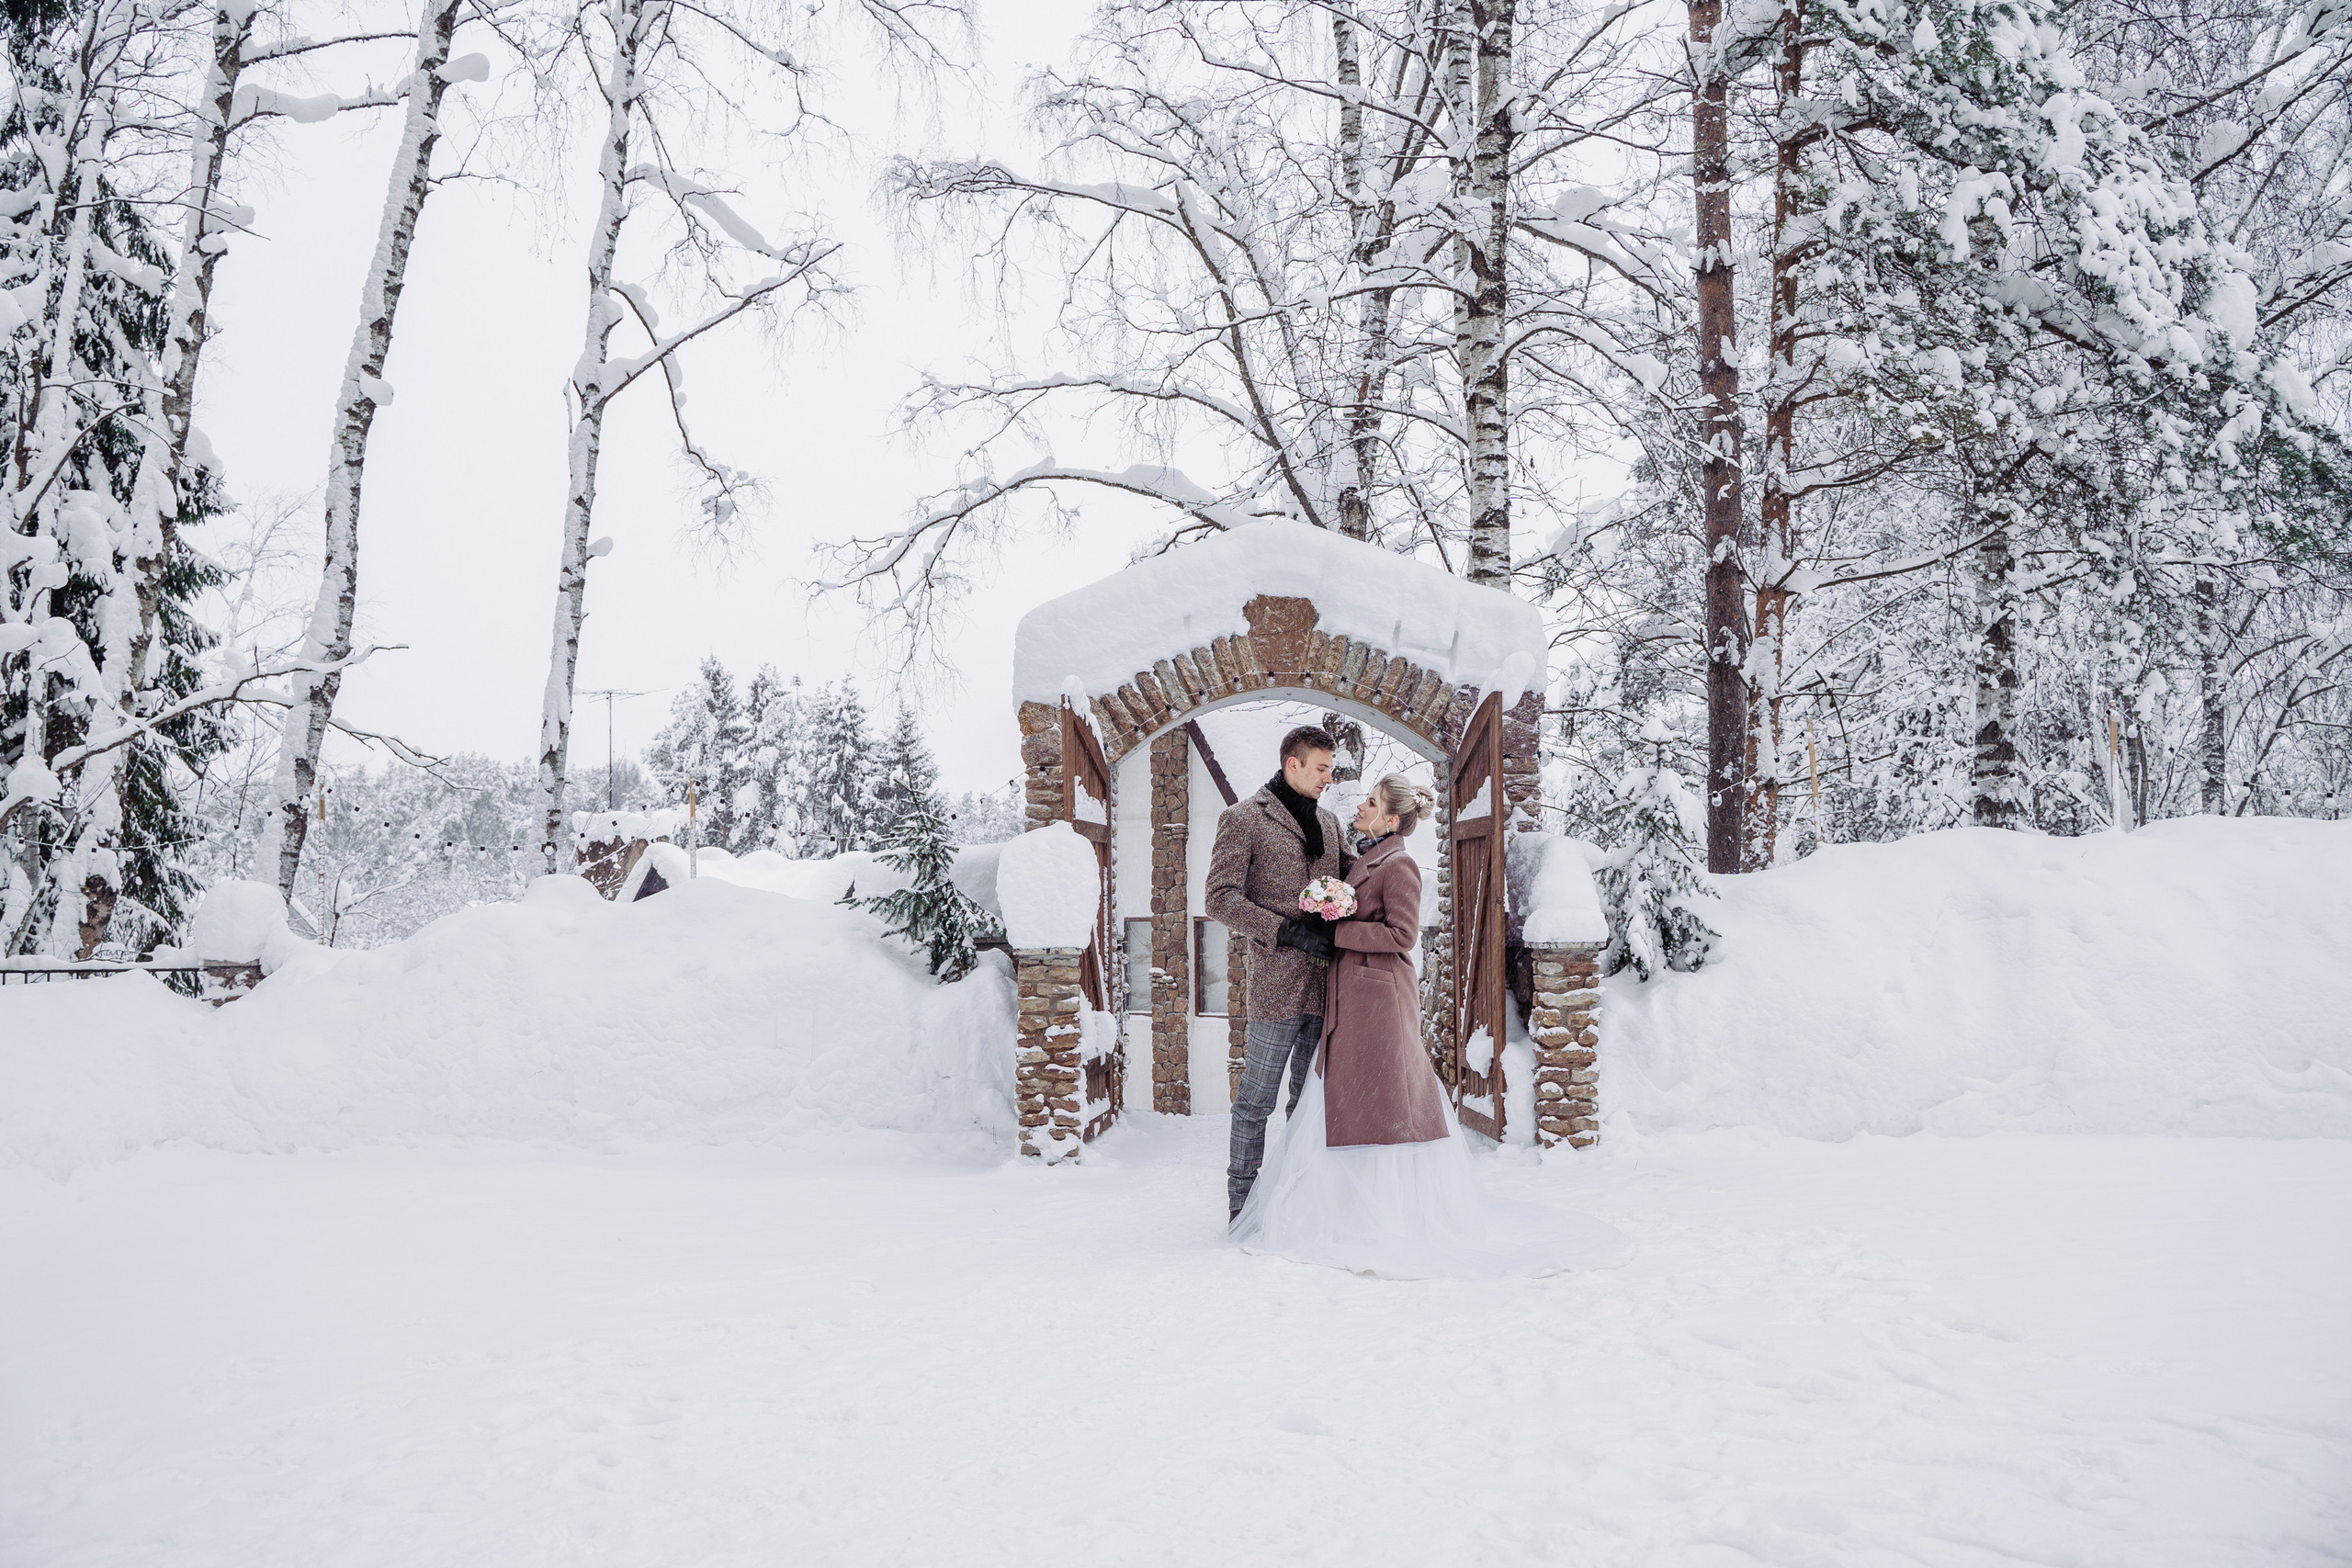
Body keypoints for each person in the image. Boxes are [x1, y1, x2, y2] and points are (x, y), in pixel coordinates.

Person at [1228, 773, 1631, 1280]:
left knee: (1384, 1098)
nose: (1359, 806)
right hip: (1351, 996)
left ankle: (1388, 1215)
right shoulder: (1369, 855)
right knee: (1352, 1098)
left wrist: (1337, 927)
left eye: (1370, 802)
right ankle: (1347, 1209)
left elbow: (1401, 934)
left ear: (1390, 819)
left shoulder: (1400, 865)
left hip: (1377, 999)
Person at [1205, 725, 1351, 1222]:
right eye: (1322, 768)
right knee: (1255, 1104)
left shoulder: (1331, 824)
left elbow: (1354, 878)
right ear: (1294, 763)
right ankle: (1241, 1211)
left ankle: (1296, 1208)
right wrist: (1285, 931)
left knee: (1308, 1106)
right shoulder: (1244, 818)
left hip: (1326, 986)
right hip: (1275, 987)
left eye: (1331, 769)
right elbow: (1219, 897)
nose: (1328, 778)